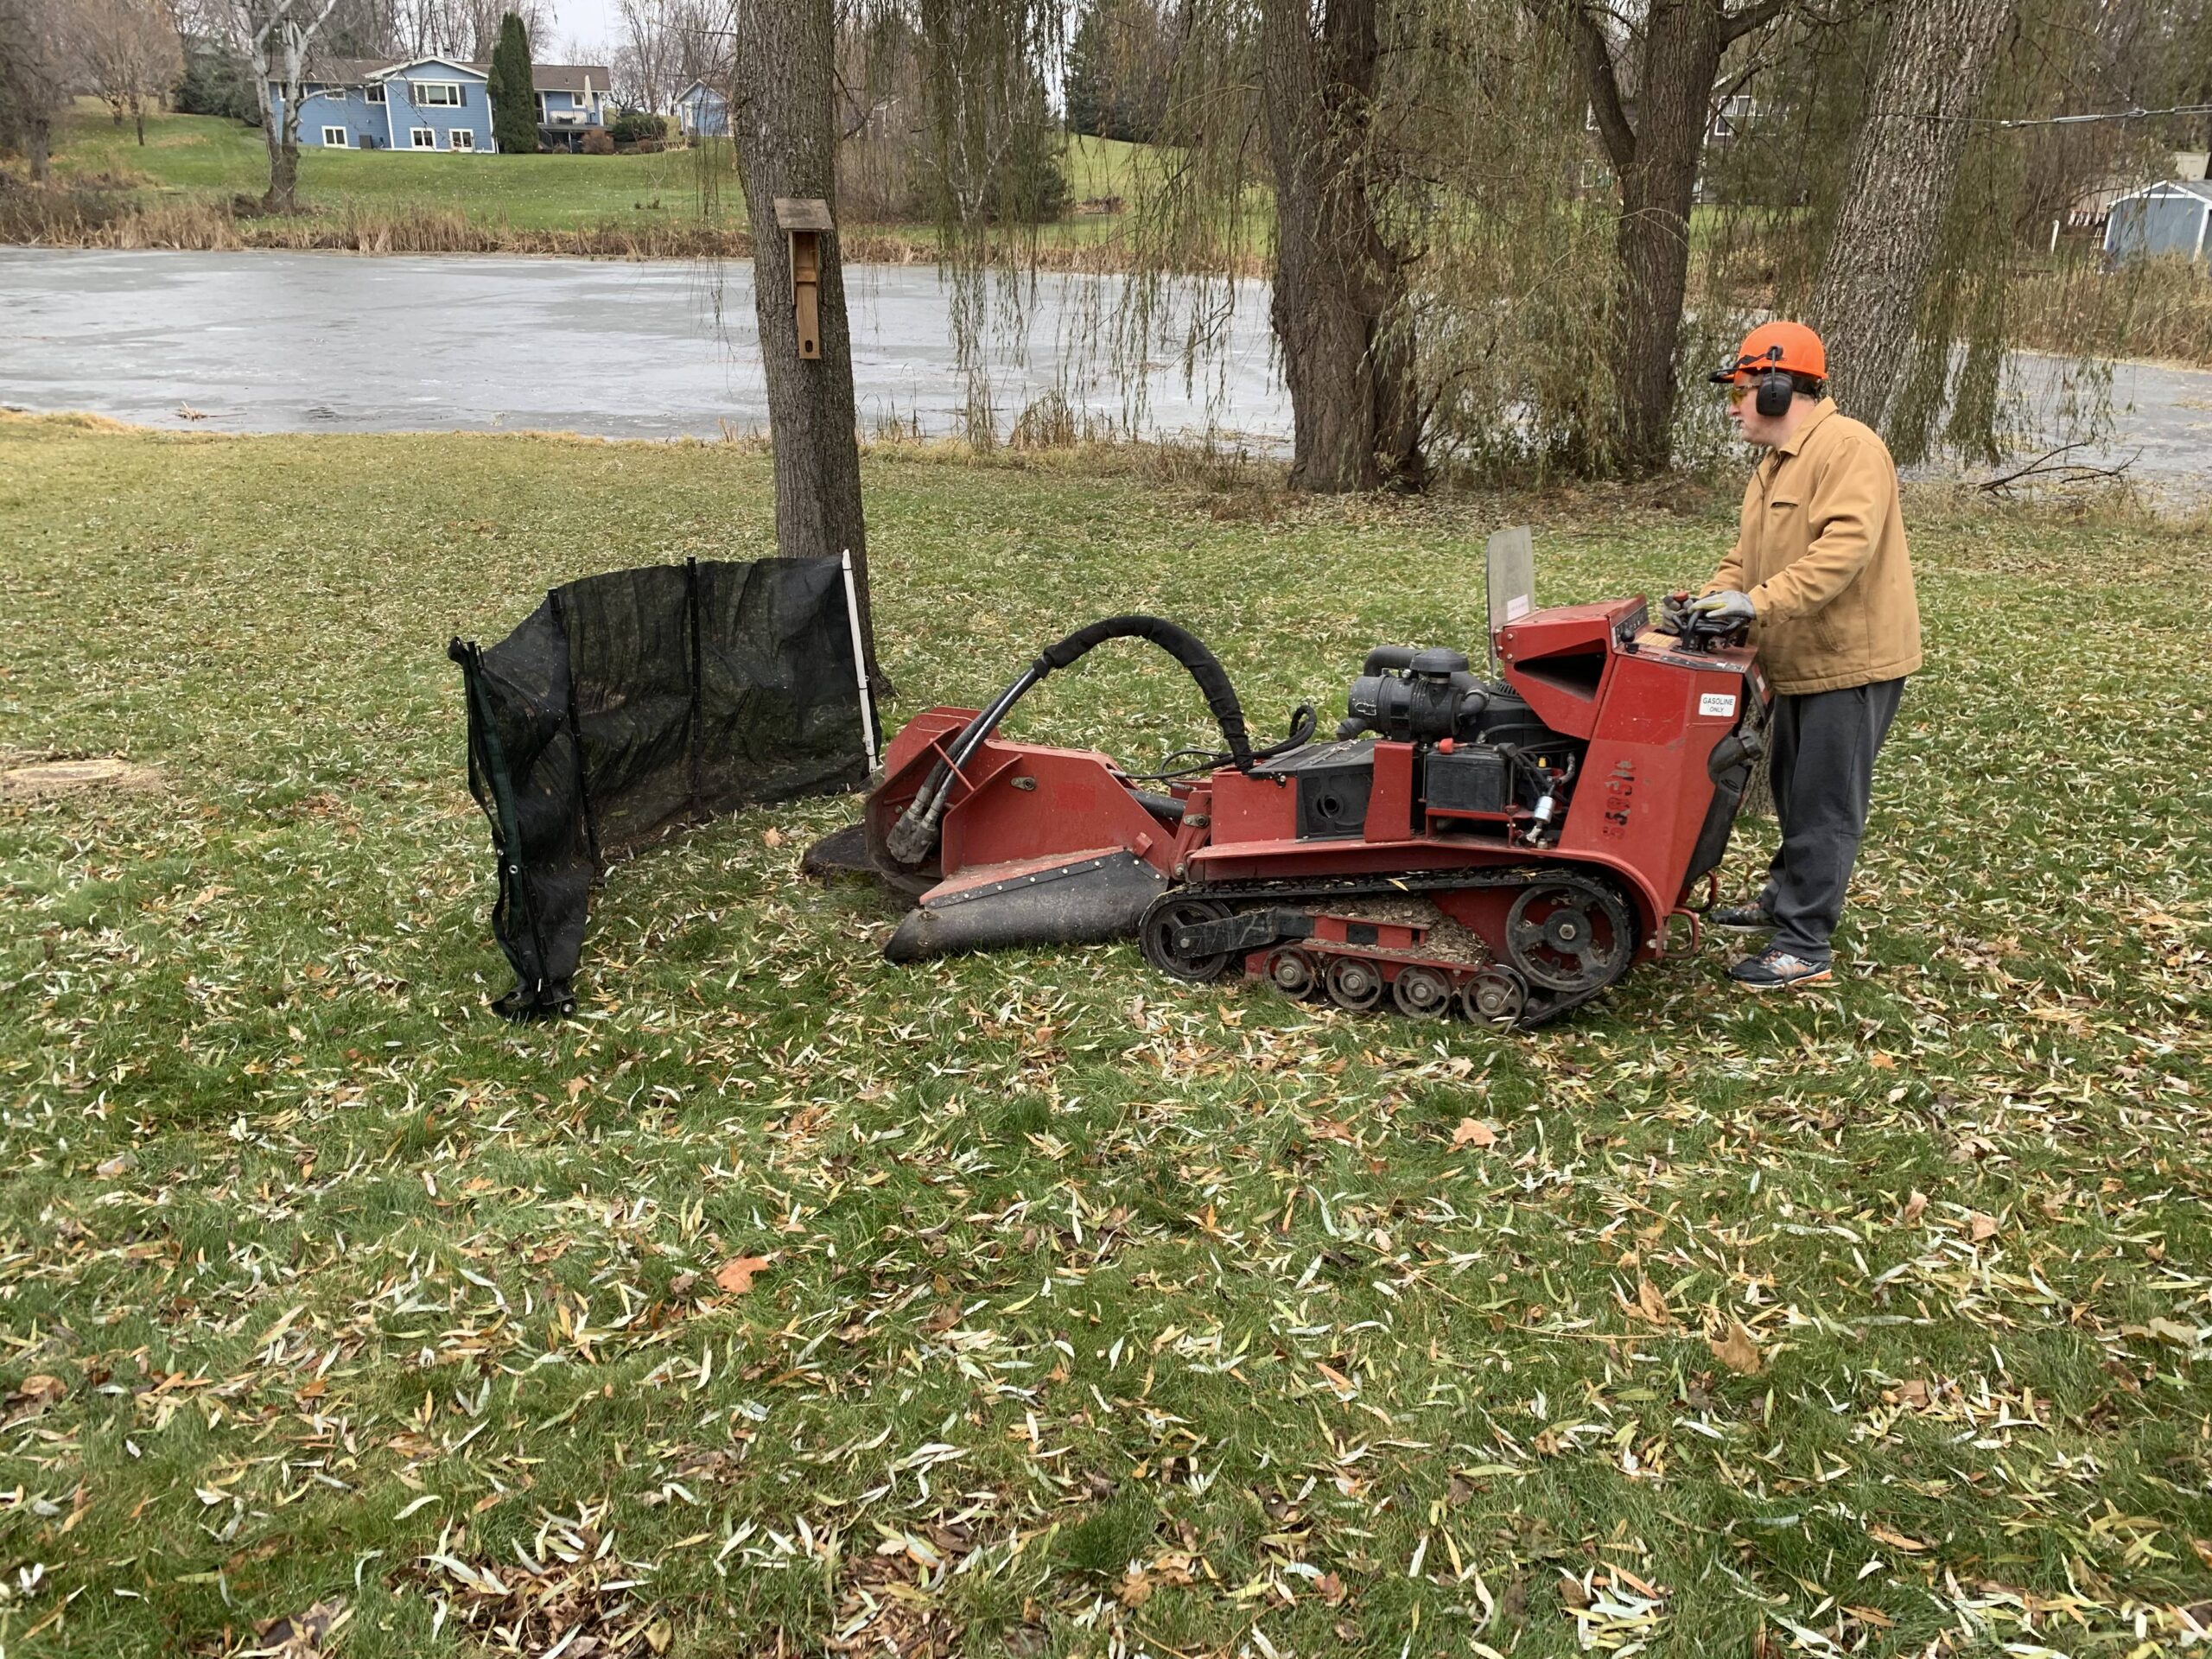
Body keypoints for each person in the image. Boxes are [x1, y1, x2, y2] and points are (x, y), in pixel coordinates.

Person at [1689, 321, 1922, 991]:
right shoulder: (1774, 465)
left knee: (1824, 803)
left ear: (1776, 389)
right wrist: (1714, 601)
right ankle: (1782, 901)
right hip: (1800, 659)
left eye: (1740, 392)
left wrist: (1757, 604)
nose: (1734, 408)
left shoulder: (1850, 450)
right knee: (1794, 789)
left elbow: (1842, 550)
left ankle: (1804, 943)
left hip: (1849, 661)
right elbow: (1746, 557)